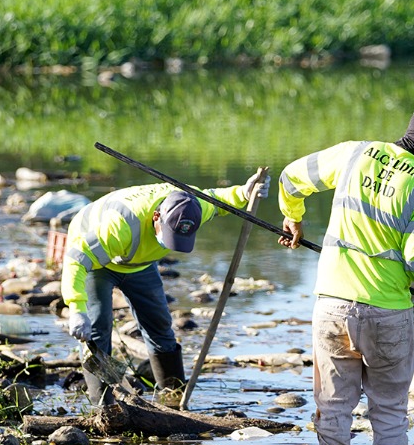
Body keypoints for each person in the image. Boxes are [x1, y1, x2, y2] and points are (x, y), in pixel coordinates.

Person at [277, 98, 414, 445]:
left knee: (333, 405)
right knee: (388, 410)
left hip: (332, 305)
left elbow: (290, 177)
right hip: (387, 314)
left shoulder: (355, 154)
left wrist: (293, 216)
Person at [61, 173, 265, 406]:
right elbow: (76, 261)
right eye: (170, 236)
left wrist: (244, 193)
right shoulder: (119, 226)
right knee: (97, 329)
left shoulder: (193, 206)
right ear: (156, 217)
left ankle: (173, 394)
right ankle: (103, 405)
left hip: (140, 263)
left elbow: (216, 198)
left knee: (159, 324)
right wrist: (76, 309)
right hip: (99, 262)